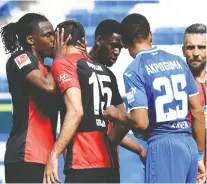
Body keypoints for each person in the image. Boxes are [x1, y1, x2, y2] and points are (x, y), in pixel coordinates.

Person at [103, 13, 205, 183]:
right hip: (189, 145)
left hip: (163, 145)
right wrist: (199, 155)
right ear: (150, 35)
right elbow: (197, 111)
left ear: (124, 43)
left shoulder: (134, 70)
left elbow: (140, 122)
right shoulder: (179, 62)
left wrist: (115, 114)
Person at [43, 20, 132, 183]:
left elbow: (76, 111)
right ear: (82, 41)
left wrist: (53, 155)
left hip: (82, 162)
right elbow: (124, 120)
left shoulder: (64, 64)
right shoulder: (106, 71)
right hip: (110, 165)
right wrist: (107, 144)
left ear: (59, 39)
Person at [0, 13, 67, 183]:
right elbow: (48, 87)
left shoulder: (50, 69)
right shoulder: (20, 58)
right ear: (30, 39)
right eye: (48, 35)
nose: (54, 39)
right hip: (25, 153)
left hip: (46, 157)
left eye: (54, 34)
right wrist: (60, 58)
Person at [89, 19, 146, 164]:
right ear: (99, 40)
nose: (117, 52)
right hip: (83, 163)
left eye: (120, 48)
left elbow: (123, 121)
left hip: (107, 163)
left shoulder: (109, 76)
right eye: (113, 46)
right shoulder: (79, 69)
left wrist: (139, 149)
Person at [182, 23, 207, 183]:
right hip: (188, 172)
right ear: (183, 50)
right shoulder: (176, 87)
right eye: (191, 47)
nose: (196, 53)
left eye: (202, 47)